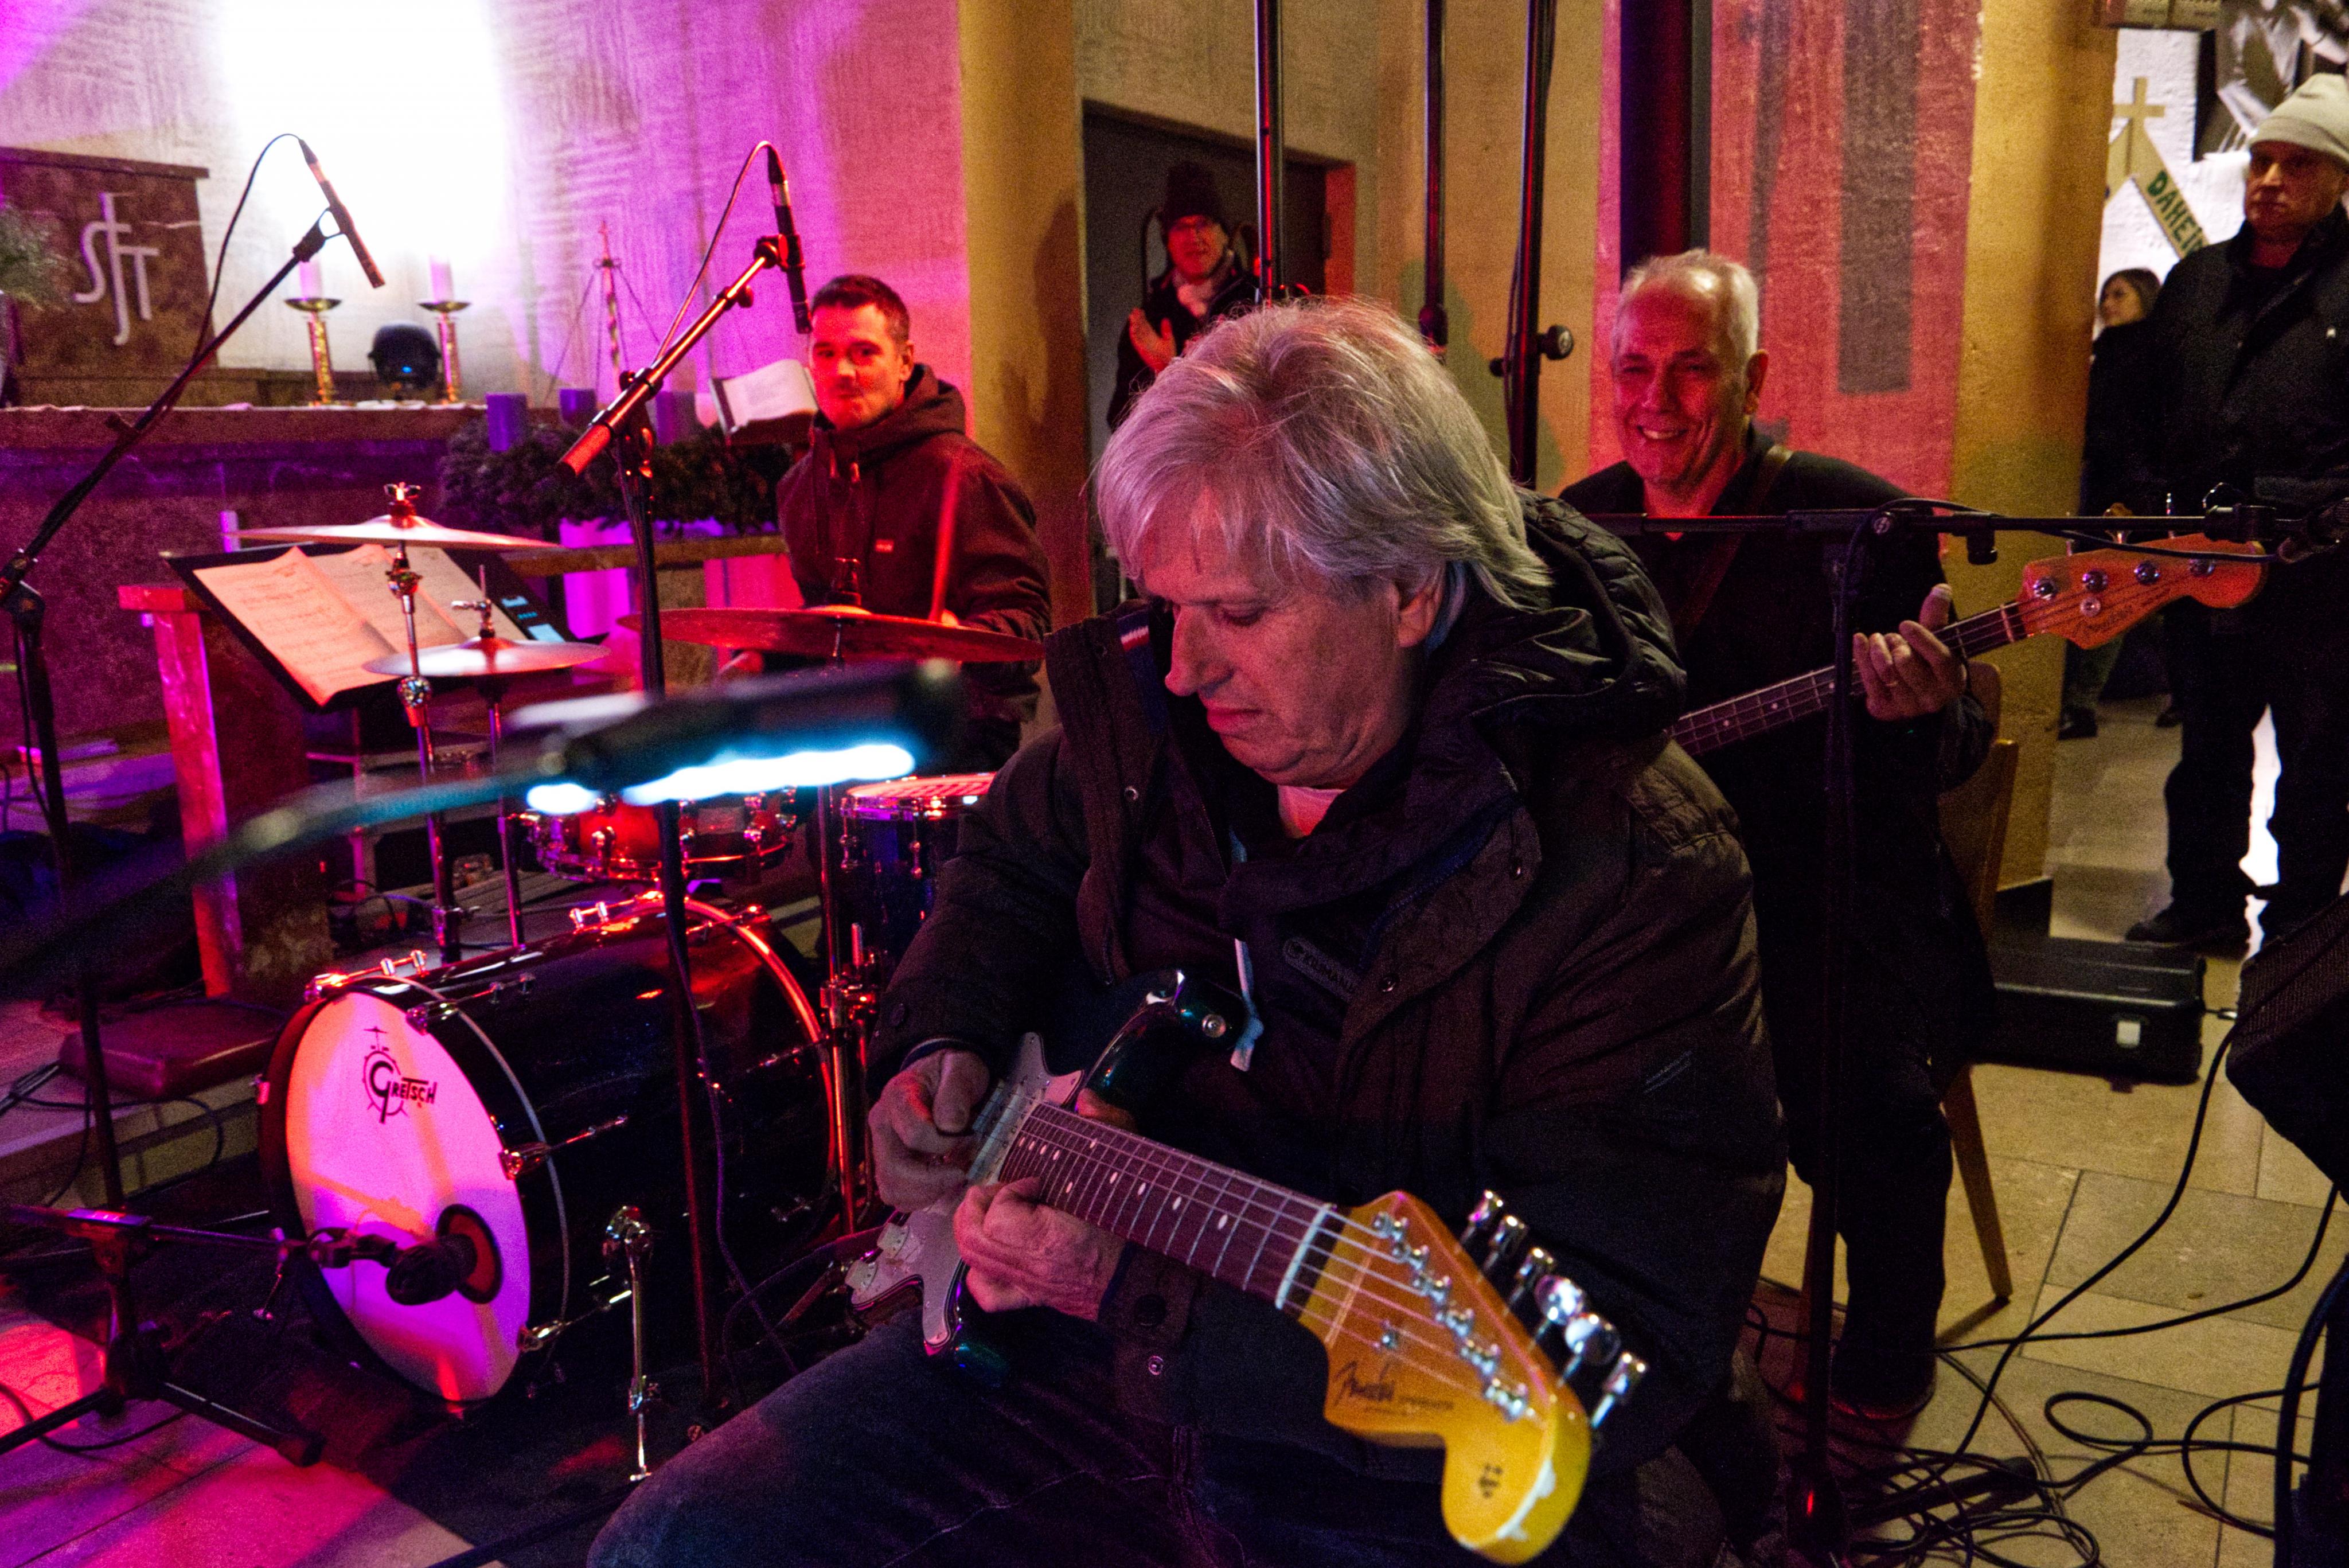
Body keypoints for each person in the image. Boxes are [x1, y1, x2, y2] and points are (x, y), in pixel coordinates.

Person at [592, 298, 1788, 1567]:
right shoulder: (1150, 730)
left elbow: (1616, 1330)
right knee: (672, 1540)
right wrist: (942, 1037)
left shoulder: (1635, 862)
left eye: (1239, 613)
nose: (1181, 667)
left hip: (1379, 1439)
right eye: (1168, 607)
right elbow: (1008, 860)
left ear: (1407, 587)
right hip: (1100, 1353)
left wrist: (1135, 1287)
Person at [1560, 250, 1994, 1419]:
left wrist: (1929, 704)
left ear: (1753, 377)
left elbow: (1951, 748)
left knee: (1869, 1110)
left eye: (1691, 369)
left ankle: (1889, 1347)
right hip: (1639, 906)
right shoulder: (1575, 531)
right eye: (1632, 368)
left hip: (1817, 896)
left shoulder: (1859, 526)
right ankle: (1628, 1323)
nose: (1655, 399)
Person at [2130, 75, 2349, 949]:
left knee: (2319, 762)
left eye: (2298, 165)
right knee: (2206, 753)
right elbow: (2146, 413)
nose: (2270, 180)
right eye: (2262, 160)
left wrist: (2306, 511)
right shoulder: (2197, 283)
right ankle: (2203, 908)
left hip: (2320, 582)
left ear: (2339, 179)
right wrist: (2153, 508)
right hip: (2200, 566)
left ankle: (2300, 933)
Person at [772, 273, 1051, 770]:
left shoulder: (965, 476)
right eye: (826, 353)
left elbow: (1027, 625)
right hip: (854, 729)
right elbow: (826, 625)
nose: (842, 372)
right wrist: (763, 657)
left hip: (959, 734)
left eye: (864, 353)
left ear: (904, 362)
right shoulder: (799, 487)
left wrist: (960, 639)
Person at [2060, 266, 2165, 742]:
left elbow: (2140, 433)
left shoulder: (2146, 356)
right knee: (2135, 590)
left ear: (2146, 298)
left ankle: (2081, 705)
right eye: (2105, 295)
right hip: (2105, 486)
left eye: (2120, 294)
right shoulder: (2108, 354)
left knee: (2112, 587)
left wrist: (2136, 496)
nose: (2108, 304)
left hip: (2129, 491)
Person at [1106, 161, 1255, 431]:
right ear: (1168, 241)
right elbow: (1122, 424)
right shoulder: (1150, 319)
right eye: (1180, 227)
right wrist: (1163, 375)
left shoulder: (1257, 302)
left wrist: (1175, 371)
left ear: (1225, 234)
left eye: (1203, 223)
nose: (1193, 237)